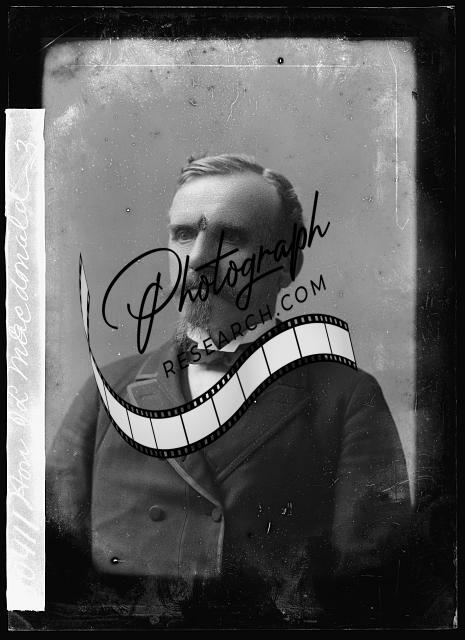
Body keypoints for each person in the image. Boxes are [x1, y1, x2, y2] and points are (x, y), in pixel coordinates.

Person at [46, 154, 411, 629]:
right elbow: (54, 572)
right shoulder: (107, 391)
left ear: (288, 263)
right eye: (183, 234)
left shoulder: (345, 399)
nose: (198, 258)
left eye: (231, 237)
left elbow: (373, 590)